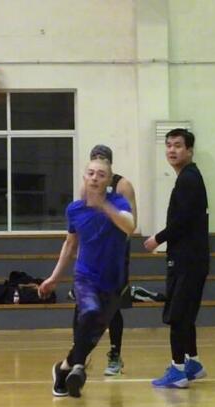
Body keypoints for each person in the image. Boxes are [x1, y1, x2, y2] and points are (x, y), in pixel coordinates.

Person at [38, 158, 135, 398]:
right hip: (85, 277)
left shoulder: (118, 202)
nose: (94, 178)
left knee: (92, 337)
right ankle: (77, 369)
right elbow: (70, 245)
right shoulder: (75, 209)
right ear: (84, 178)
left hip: (113, 282)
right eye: (90, 173)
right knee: (90, 312)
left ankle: (64, 368)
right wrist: (54, 278)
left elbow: (130, 226)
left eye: (101, 174)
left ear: (108, 180)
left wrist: (105, 207)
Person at [144, 128, 209, 388]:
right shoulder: (189, 177)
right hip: (193, 259)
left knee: (177, 315)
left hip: (187, 260)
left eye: (178, 145)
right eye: (169, 145)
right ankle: (193, 363)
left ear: (189, 151)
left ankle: (178, 370)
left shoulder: (188, 179)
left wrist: (157, 239)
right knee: (186, 315)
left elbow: (182, 221)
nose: (172, 150)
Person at [76, 144, 137, 375]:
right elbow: (82, 222)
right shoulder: (86, 185)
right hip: (91, 256)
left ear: (110, 165)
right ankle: (80, 354)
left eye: (103, 159)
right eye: (95, 159)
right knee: (84, 304)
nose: (95, 176)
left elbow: (131, 224)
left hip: (114, 254)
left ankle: (115, 354)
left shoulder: (123, 185)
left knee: (113, 306)